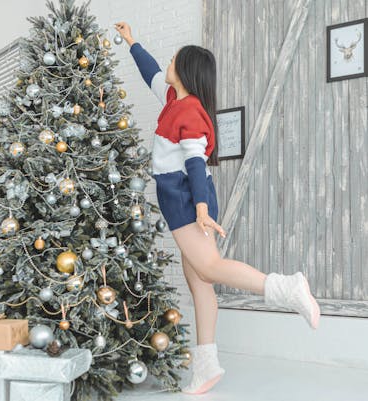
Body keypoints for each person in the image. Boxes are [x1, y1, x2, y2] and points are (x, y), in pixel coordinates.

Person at [114, 22, 321, 395]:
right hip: (183, 199)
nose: (169, 61)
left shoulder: (189, 112)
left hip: (187, 200)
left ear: (187, 72)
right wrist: (132, 42)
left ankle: (286, 288)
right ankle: (206, 365)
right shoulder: (174, 100)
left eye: (174, 59)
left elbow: (195, 164)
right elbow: (151, 73)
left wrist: (202, 209)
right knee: (199, 281)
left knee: (208, 267)